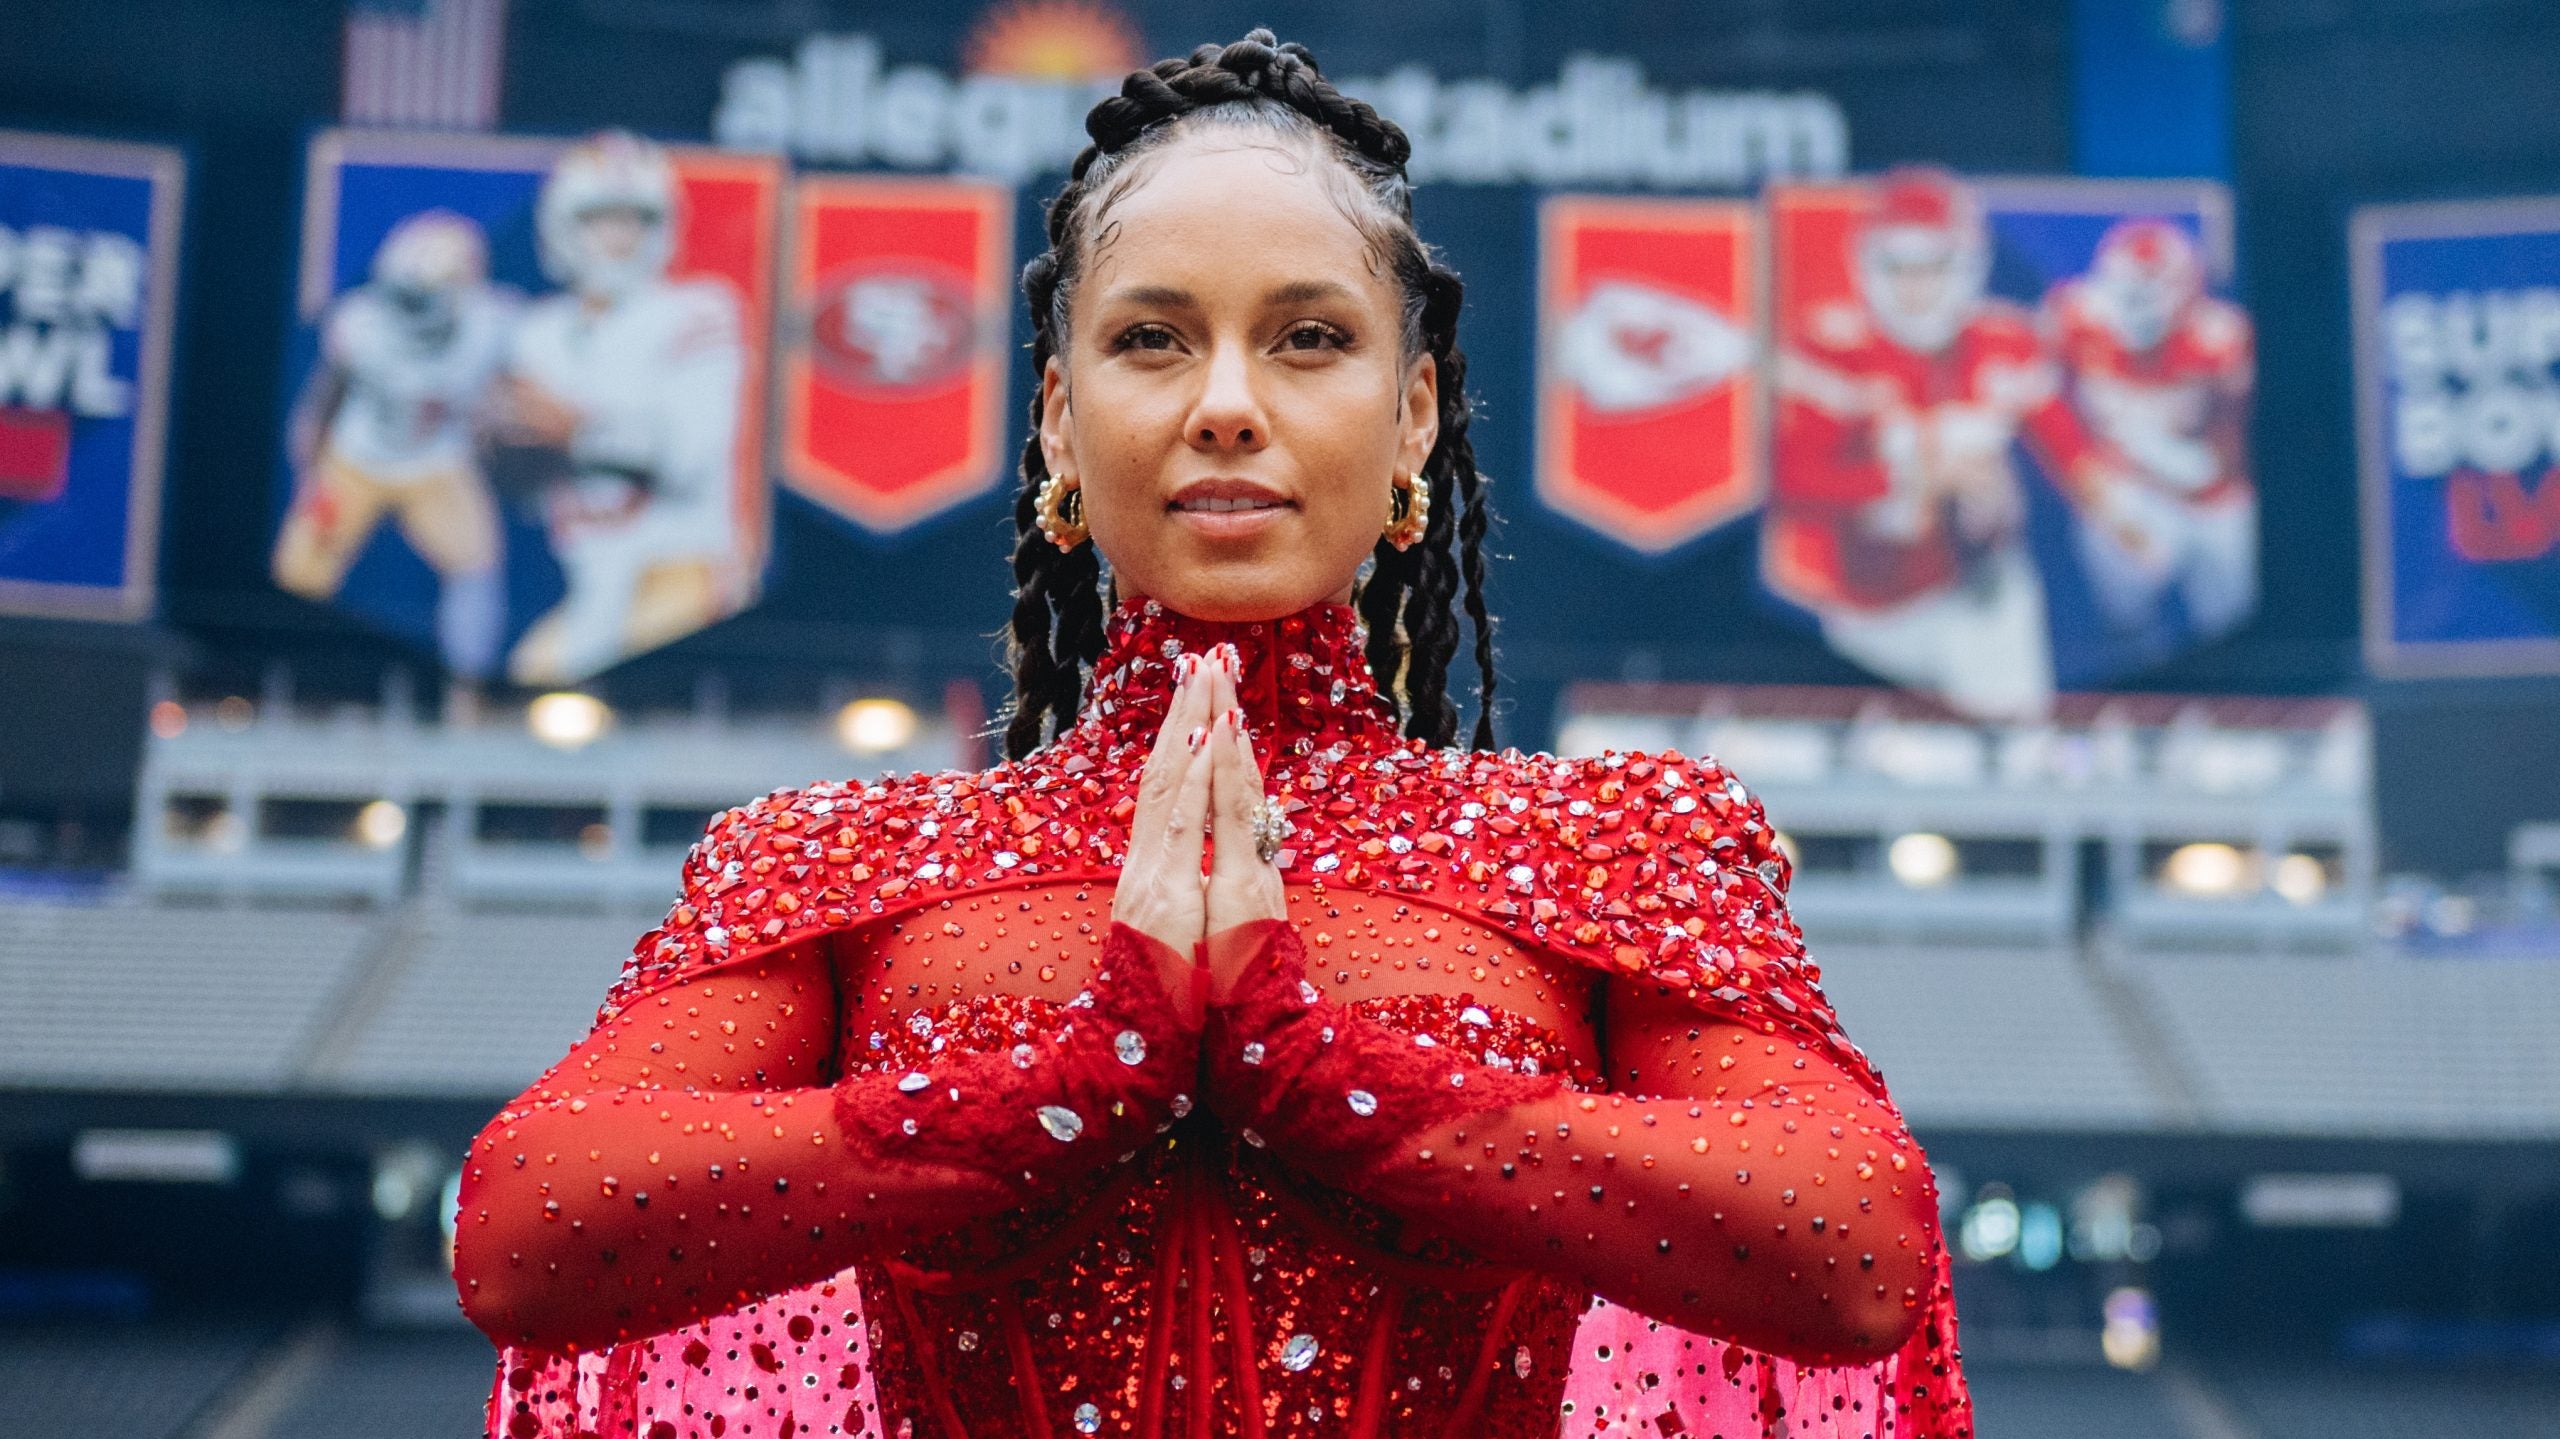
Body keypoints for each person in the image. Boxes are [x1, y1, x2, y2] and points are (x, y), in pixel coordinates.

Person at [453, 34, 1970, 1439]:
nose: (1229, 404)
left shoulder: (1606, 843)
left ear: (1417, 414)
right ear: (1058, 417)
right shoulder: (842, 860)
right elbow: (525, 1228)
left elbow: (1858, 1249)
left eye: (1309, 338)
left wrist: (1329, 1077)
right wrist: (1063, 1082)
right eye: (1155, 340)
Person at [1769, 166, 2129, 721]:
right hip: (1870, 605)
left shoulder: (2002, 341)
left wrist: (2120, 515)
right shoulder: (1831, 349)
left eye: (1934, 267)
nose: (1918, 289)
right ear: (1868, 266)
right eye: (1899, 268)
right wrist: (1915, 474)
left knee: (2013, 750)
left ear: (1966, 265)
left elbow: (2065, 443)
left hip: (1981, 588)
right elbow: (1791, 482)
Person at [494, 130, 753, 687]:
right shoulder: (537, 333)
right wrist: (494, 446)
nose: (619, 236)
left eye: (636, 218)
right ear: (564, 226)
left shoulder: (701, 310)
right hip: (589, 576)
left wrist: (577, 430)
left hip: (683, 573)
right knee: (526, 682)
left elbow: (690, 457)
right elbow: (521, 490)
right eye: (600, 218)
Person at [271, 208, 511, 680]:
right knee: (300, 573)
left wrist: (495, 416)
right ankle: (293, 680)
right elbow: (324, 399)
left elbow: (507, 401)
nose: (414, 306)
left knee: (478, 567)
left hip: (436, 463)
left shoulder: (489, 326)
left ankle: (469, 688)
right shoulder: (360, 323)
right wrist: (310, 472)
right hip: (356, 460)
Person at [2043, 217, 2258, 643]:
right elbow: (2043, 396)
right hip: (2127, 484)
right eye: (2125, 291)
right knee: (2124, 611)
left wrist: (2210, 453)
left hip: (2209, 494)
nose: (2134, 306)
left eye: (2149, 293)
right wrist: (2089, 474)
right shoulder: (2074, 317)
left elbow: (2241, 445)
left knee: (2229, 609)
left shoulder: (2222, 340)